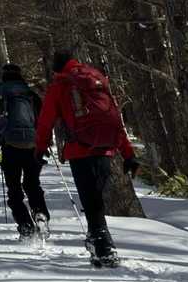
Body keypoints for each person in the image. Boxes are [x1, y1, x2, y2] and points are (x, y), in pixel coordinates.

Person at [35, 48, 140, 267]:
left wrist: (40, 148)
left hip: (79, 149)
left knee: (91, 201)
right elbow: (115, 118)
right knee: (96, 199)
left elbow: (46, 121)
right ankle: (98, 242)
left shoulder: (61, 85)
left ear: (57, 68)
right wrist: (128, 153)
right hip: (105, 148)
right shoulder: (97, 79)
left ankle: (104, 248)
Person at [0, 62, 50, 240]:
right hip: (33, 146)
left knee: (14, 189)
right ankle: (40, 214)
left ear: (4, 76)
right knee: (32, 184)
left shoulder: (0, 95)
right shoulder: (30, 94)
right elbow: (43, 119)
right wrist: (45, 142)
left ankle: (25, 224)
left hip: (10, 147)